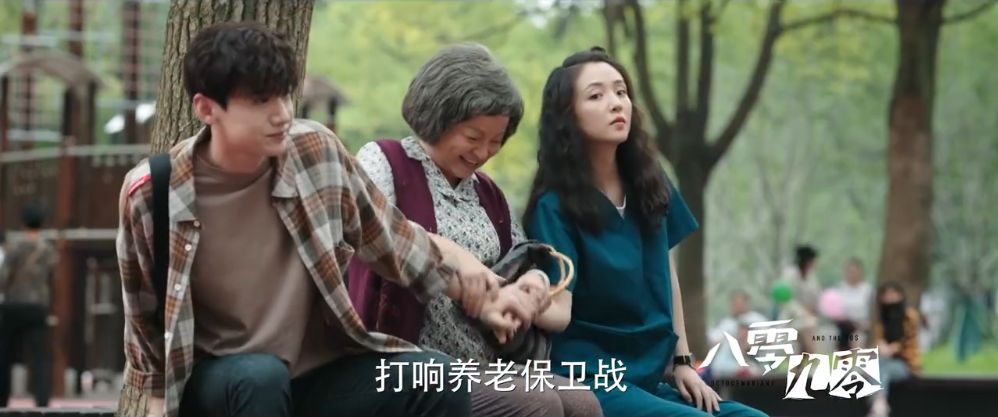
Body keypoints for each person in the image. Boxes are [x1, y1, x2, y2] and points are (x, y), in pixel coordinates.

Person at [115, 22, 505, 417]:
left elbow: (393, 241)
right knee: (260, 376)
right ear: (206, 108)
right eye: (261, 100)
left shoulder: (315, 154)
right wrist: (158, 405)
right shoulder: (153, 193)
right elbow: (143, 314)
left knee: (436, 376)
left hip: (317, 375)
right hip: (224, 383)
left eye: (285, 95)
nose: (282, 114)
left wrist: (481, 297)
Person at [353, 42, 601, 417]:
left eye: (495, 142)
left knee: (581, 402)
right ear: (438, 117)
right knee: (536, 404)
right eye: (472, 137)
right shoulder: (385, 162)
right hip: (403, 360)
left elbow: (518, 263)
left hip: (480, 362)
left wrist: (532, 285)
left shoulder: (488, 194)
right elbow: (371, 229)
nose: (483, 152)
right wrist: (458, 259)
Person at [522, 46, 768, 417]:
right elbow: (558, 307)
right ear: (566, 116)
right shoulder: (554, 207)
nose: (616, 103)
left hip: (649, 377)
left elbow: (666, 275)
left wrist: (683, 362)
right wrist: (512, 298)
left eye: (621, 92)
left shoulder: (651, 184)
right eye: (596, 96)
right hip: (590, 381)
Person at [0, 205, 57, 407]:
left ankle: (2, 399)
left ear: (23, 223)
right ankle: (42, 400)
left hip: (13, 306)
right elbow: (51, 279)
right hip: (37, 306)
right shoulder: (48, 250)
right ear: (42, 224)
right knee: (39, 357)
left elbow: (4, 278)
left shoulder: (14, 248)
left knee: (4, 356)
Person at [868, 282, 920, 417]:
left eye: (893, 294)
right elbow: (878, 342)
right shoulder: (881, 322)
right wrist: (881, 347)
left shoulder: (909, 316)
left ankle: (879, 405)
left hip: (905, 364)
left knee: (881, 368)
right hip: (884, 362)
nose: (889, 297)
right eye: (886, 295)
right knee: (878, 365)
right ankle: (880, 405)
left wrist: (894, 347)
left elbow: (907, 339)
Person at [779, 245, 820, 353]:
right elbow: (787, 300)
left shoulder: (811, 278)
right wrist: (803, 312)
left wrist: (812, 310)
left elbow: (815, 299)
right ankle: (812, 356)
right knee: (808, 326)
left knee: (810, 325)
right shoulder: (789, 274)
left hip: (807, 317)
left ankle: (809, 356)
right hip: (790, 317)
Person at [837, 258, 873, 350]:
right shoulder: (840, 289)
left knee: (857, 338)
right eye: (849, 271)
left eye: (854, 271)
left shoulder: (867, 290)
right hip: (842, 324)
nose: (851, 274)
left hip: (860, 325)